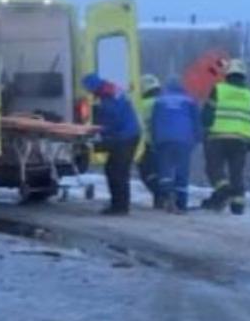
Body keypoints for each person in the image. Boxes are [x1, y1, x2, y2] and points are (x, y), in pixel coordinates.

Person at [202, 60, 250, 215]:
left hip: (218, 137)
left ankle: (223, 191)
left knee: (214, 169)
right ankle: (238, 205)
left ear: (227, 73)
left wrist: (205, 128)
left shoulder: (219, 89)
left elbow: (208, 113)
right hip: (241, 140)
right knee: (237, 172)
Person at [82, 72, 140, 215]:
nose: (90, 93)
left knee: (117, 171)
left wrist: (100, 132)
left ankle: (120, 207)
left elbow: (113, 121)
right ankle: (119, 204)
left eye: (90, 89)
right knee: (114, 169)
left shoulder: (109, 97)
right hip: (128, 134)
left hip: (126, 136)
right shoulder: (111, 92)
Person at [147, 76, 200, 211]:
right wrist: (197, 139)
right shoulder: (189, 101)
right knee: (182, 170)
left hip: (164, 140)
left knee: (165, 169)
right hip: (184, 140)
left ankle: (166, 196)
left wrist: (154, 140)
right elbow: (196, 122)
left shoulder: (160, 101)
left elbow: (153, 122)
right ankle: (181, 203)